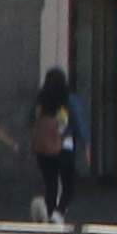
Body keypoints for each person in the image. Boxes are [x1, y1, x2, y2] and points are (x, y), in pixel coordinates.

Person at [32, 68, 83, 222]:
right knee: (69, 184)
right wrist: (86, 144)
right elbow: (79, 122)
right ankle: (58, 212)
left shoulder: (40, 101)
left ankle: (48, 211)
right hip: (64, 146)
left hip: (43, 149)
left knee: (51, 183)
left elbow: (31, 119)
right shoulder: (69, 100)